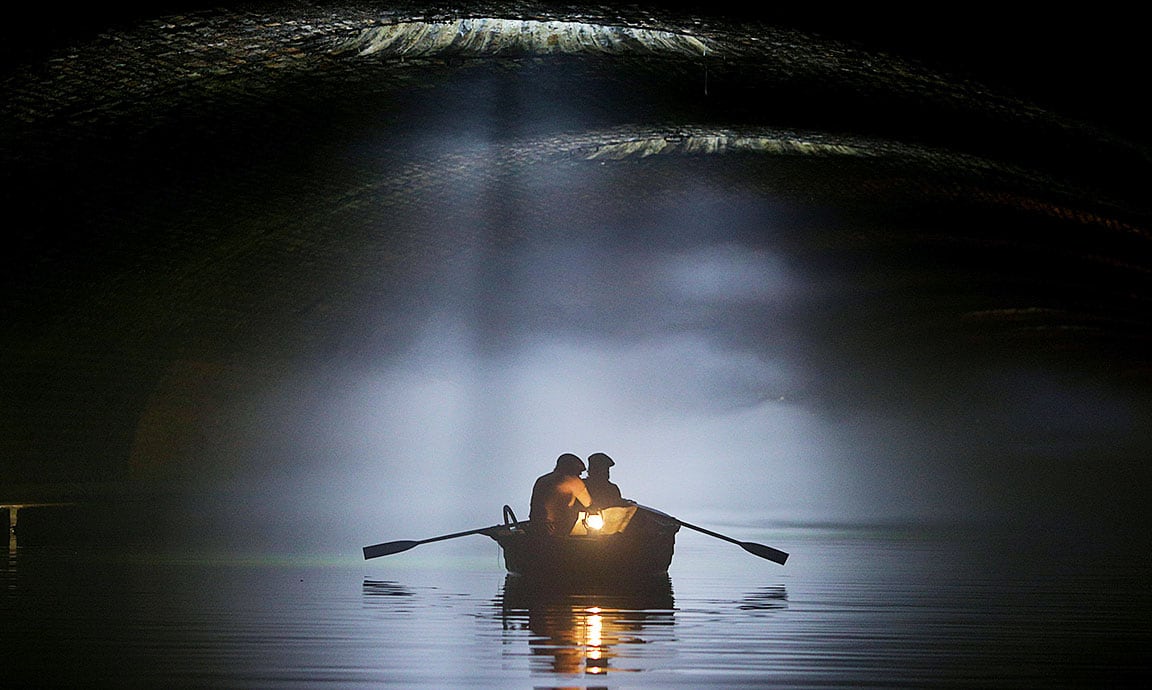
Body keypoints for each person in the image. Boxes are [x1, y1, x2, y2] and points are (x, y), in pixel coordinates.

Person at [529, 453, 592, 536]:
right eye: (579, 473)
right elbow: (588, 503)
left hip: (536, 527)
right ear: (573, 470)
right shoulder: (573, 481)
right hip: (557, 531)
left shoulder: (542, 479)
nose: (580, 476)